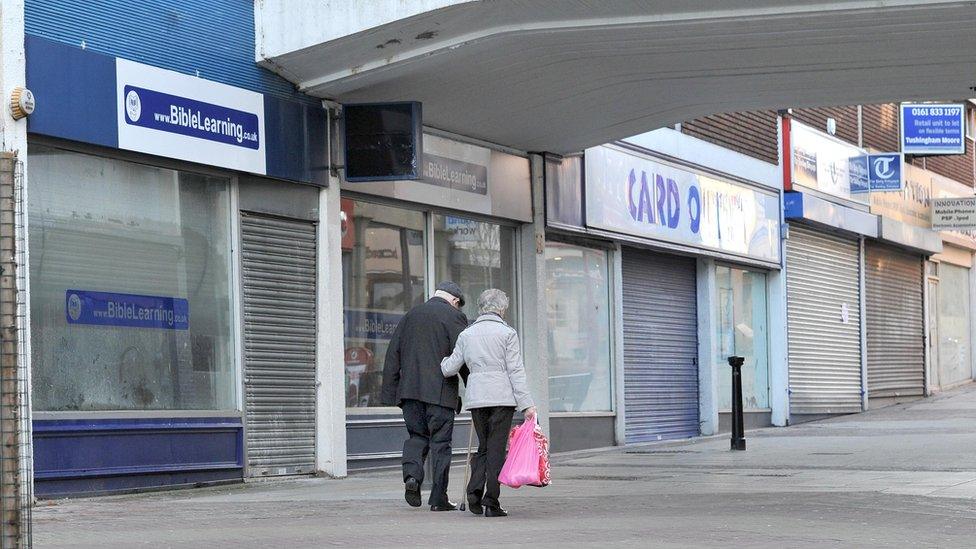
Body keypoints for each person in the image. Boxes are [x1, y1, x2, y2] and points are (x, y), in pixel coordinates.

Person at [441, 288, 536, 518]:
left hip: (478, 398)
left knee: (483, 446)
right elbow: (516, 370)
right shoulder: (507, 333)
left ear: (481, 308)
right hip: (502, 398)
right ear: (502, 309)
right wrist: (527, 404)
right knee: (496, 449)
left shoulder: (467, 334)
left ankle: (474, 492)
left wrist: (442, 360)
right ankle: (491, 502)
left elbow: (449, 368)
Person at [381, 281, 469, 511]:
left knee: (416, 437)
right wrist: (473, 384)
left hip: (409, 392)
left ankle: (412, 477)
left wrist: (391, 392)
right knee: (440, 444)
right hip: (439, 394)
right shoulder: (453, 316)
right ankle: (439, 499)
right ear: (455, 301)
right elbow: (462, 354)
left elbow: (393, 354)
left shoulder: (411, 314)